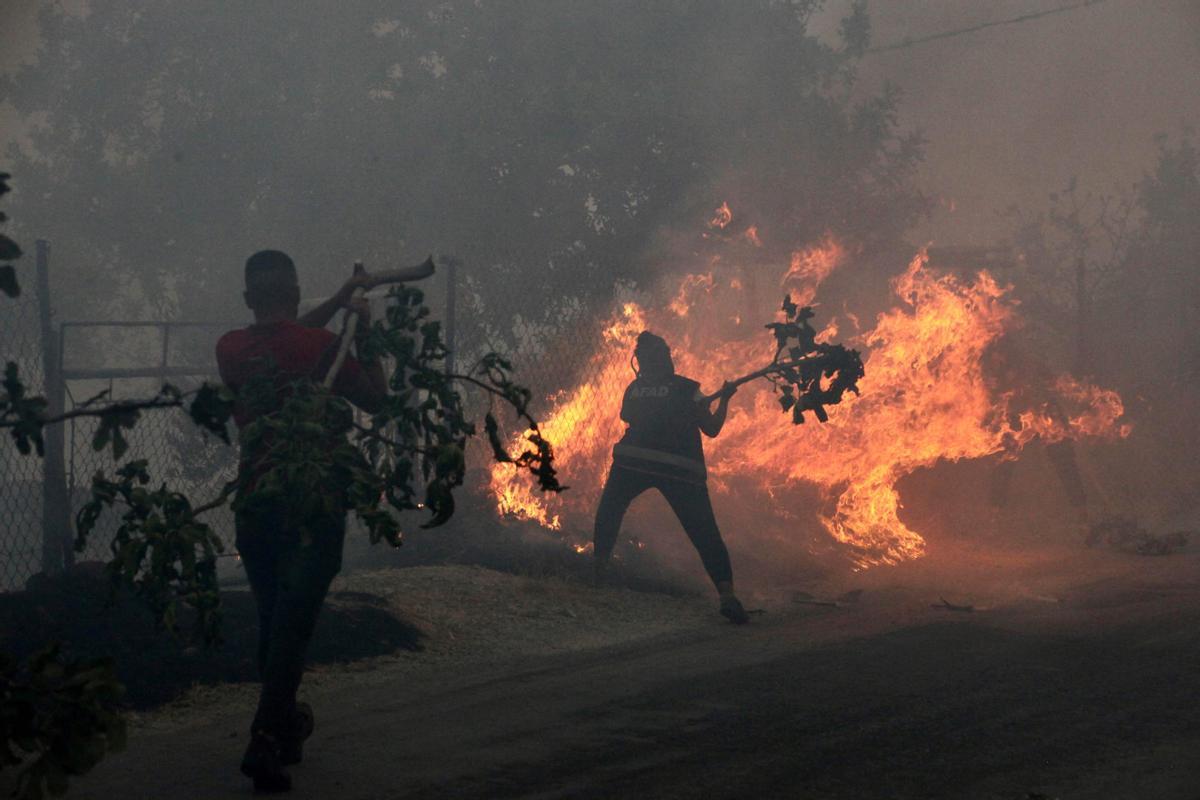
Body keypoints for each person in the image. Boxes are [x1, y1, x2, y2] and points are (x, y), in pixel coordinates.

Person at [215, 250, 385, 793]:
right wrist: (364, 331)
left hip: (256, 500)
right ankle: (266, 735)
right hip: (314, 501)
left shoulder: (232, 348)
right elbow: (379, 399)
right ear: (295, 291)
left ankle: (286, 725)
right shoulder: (322, 348)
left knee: (274, 615)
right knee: (293, 619)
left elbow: (284, 340)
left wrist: (337, 304)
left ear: (247, 299)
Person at [593, 331, 749, 624]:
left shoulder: (633, 390)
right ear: (667, 359)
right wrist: (724, 399)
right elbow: (712, 428)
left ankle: (597, 571)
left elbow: (629, 417)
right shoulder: (689, 389)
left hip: (633, 462)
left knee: (610, 510)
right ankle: (727, 595)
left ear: (641, 362)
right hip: (681, 469)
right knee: (704, 532)